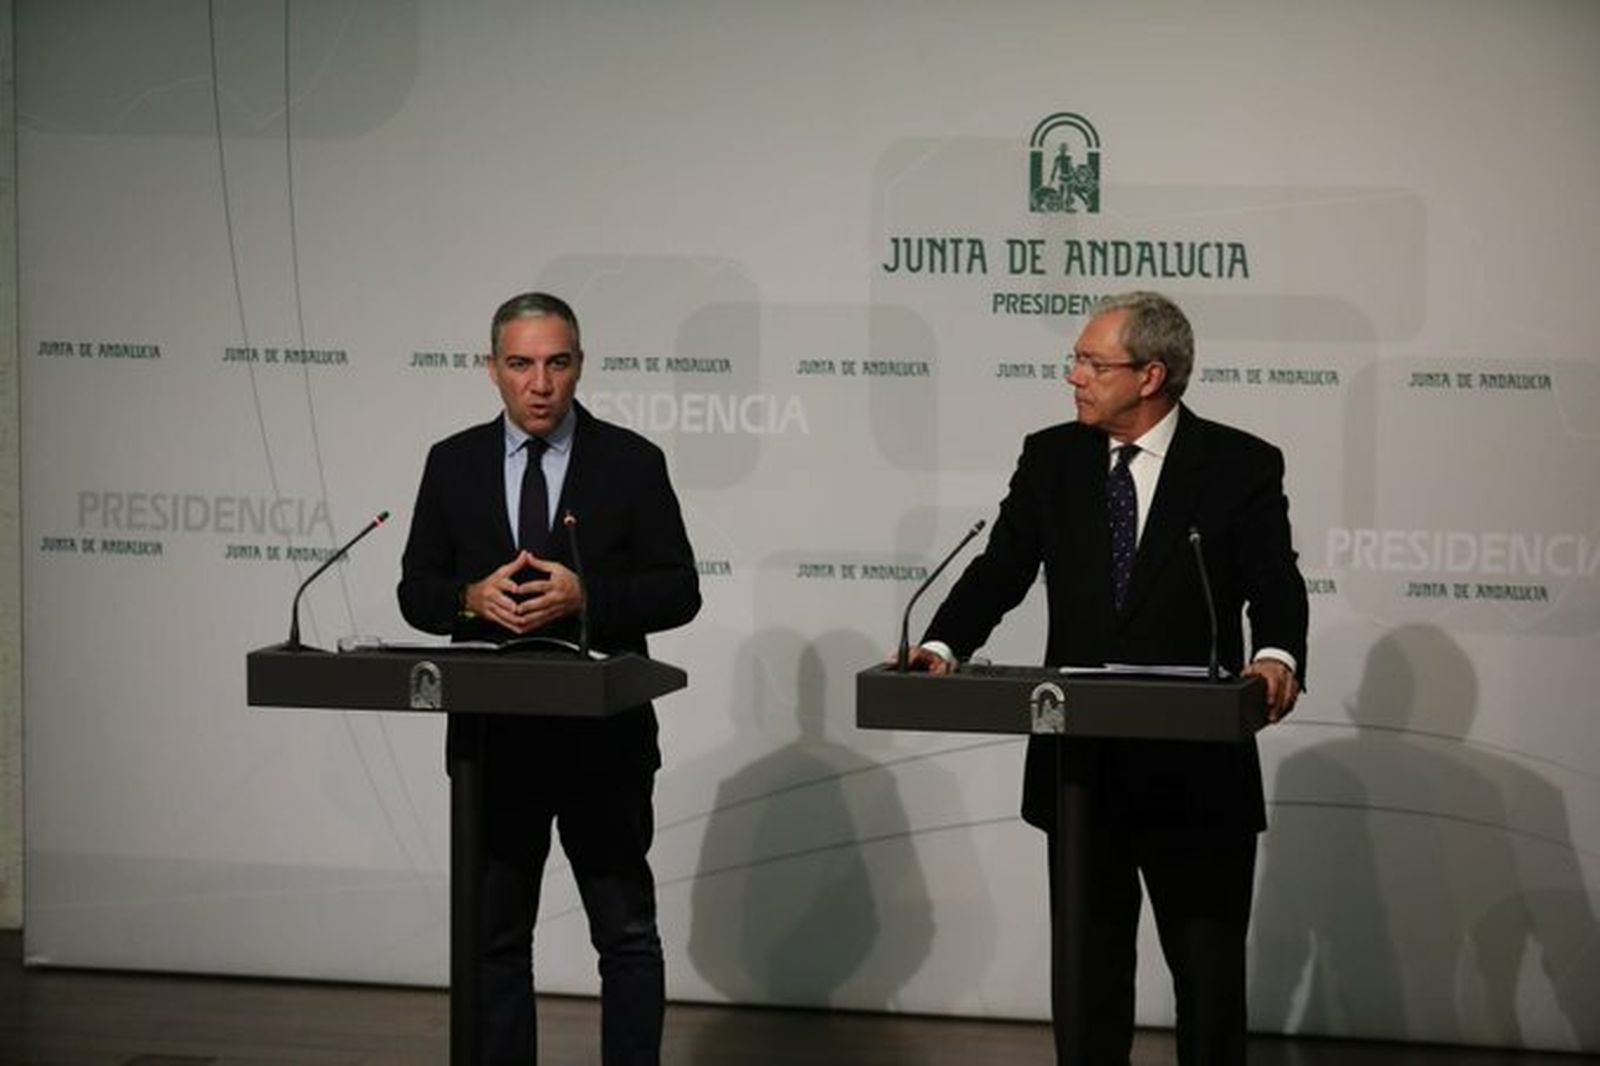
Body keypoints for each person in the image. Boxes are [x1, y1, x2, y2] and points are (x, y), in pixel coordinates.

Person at [905, 291, 1308, 1064]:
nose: (1074, 377)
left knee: (1209, 981)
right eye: (1077, 361)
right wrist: (944, 643)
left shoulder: (1238, 465)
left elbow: (1274, 580)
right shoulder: (1053, 458)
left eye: (1093, 362)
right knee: (1087, 983)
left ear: (1151, 374)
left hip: (1197, 770)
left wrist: (1277, 655)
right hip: (1082, 771)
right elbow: (1004, 567)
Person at [398, 292, 700, 1066]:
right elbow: (415, 593)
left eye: (557, 364)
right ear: (491, 370)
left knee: (626, 938)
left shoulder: (631, 462)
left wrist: (588, 592)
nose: (541, 384)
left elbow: (679, 590)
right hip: (495, 748)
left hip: (604, 745)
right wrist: (469, 598)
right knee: (496, 941)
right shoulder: (452, 462)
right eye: (522, 364)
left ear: (579, 367)